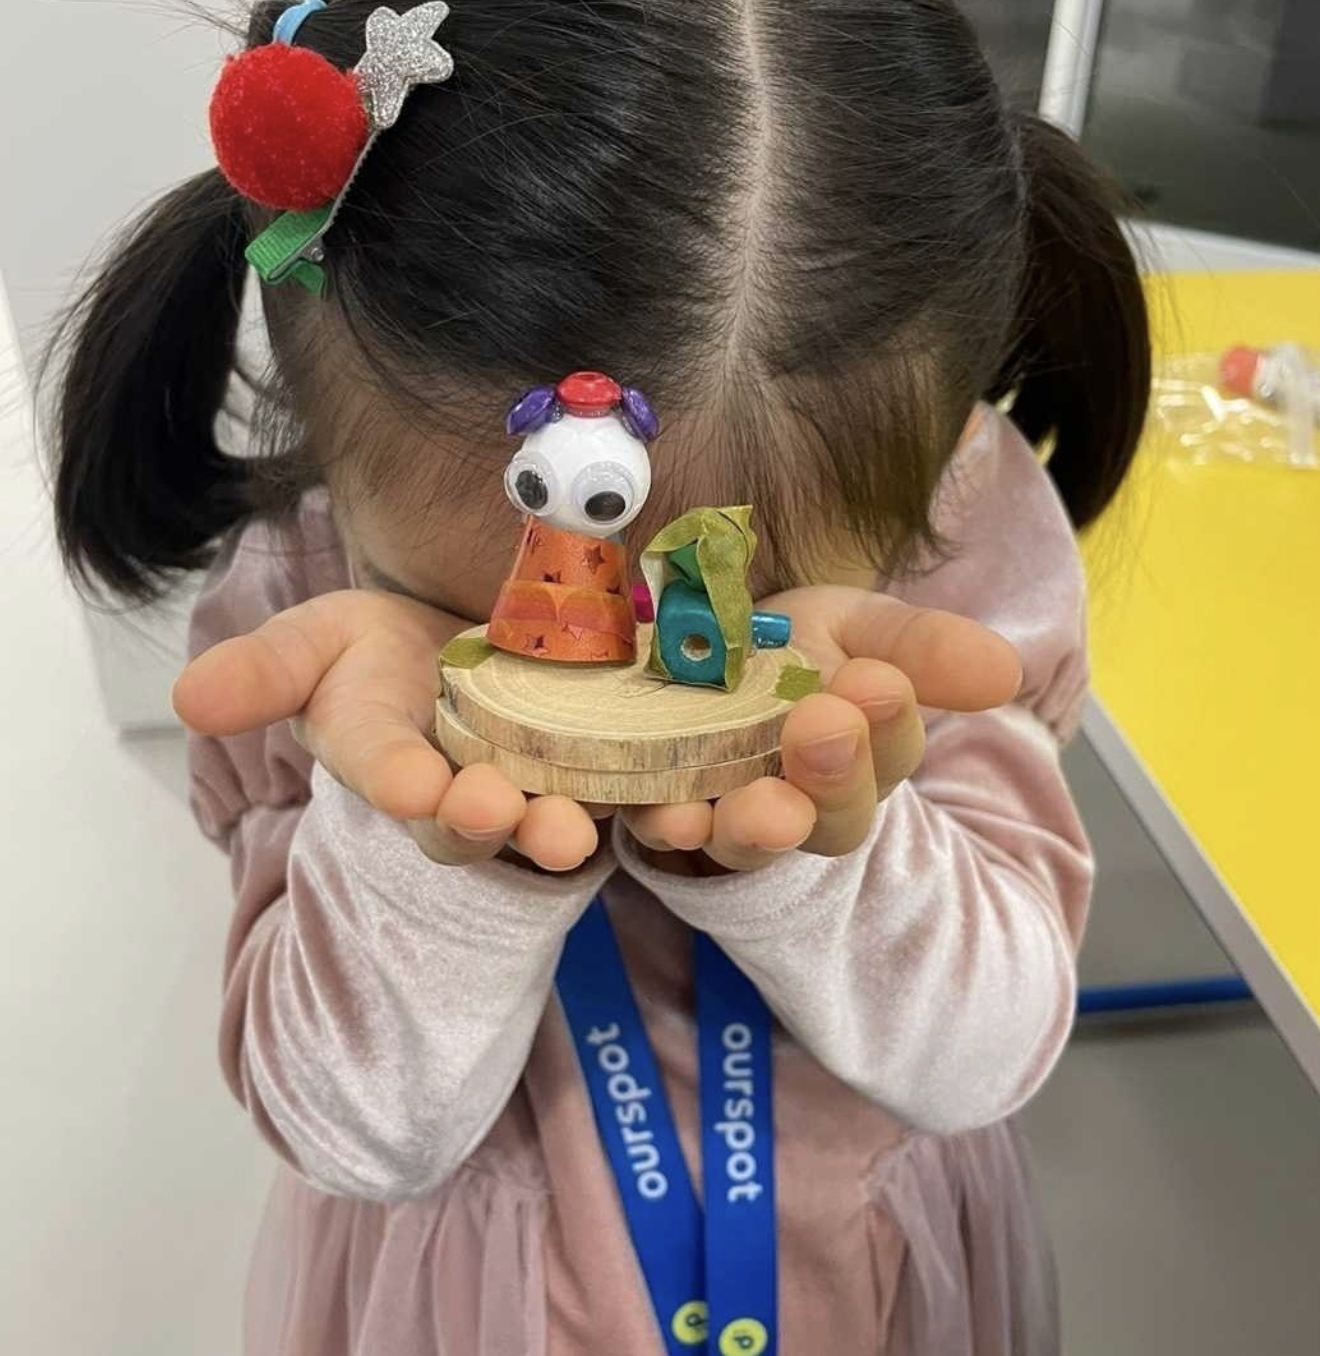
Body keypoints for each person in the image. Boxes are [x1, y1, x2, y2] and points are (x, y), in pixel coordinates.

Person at [46, 1, 1150, 1352]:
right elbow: (348, 1128)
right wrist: (431, 845)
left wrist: (824, 837)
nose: (609, 692)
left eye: (726, 616)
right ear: (333, 459)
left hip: (860, 1274)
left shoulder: (953, 572)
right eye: (482, 616)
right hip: (472, 1296)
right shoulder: (313, 624)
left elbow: (985, 1054)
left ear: (930, 486)